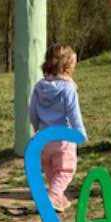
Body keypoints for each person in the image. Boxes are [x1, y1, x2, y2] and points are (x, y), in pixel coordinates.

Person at [29, 44, 86, 212]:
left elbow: (32, 111)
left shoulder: (39, 86)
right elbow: (73, 113)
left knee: (52, 171)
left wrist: (36, 126)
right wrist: (80, 132)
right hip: (63, 139)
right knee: (65, 170)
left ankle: (58, 199)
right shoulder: (68, 88)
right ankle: (52, 197)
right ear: (68, 67)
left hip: (44, 138)